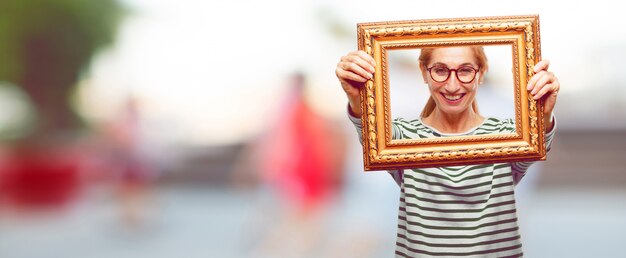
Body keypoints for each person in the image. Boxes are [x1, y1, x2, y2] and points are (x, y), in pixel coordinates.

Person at [335, 46, 559, 257]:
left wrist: (544, 116)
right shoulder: (409, 135)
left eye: (465, 71)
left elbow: (532, 146)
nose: (453, 86)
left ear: (481, 75)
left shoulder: (504, 124)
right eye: (441, 71)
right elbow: (371, 133)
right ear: (425, 73)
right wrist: (358, 100)